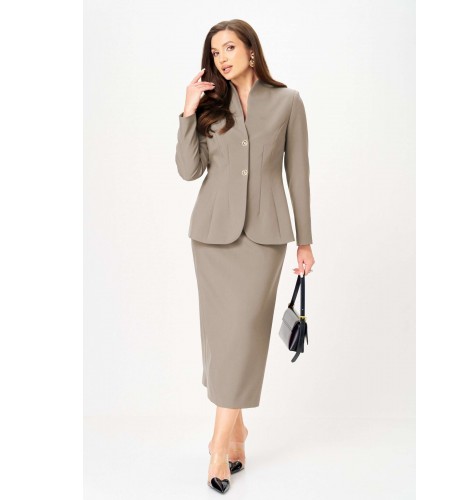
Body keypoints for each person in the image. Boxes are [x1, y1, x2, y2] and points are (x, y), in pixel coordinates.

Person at [175, 19, 315, 494]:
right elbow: (188, 170)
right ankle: (234, 435)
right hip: (212, 238)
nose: (222, 58)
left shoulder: (287, 101)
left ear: (251, 50)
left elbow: (298, 174)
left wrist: (305, 240)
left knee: (244, 336)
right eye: (215, 52)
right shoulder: (209, 105)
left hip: (264, 237)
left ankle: (218, 446)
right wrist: (187, 112)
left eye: (230, 48)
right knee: (222, 339)